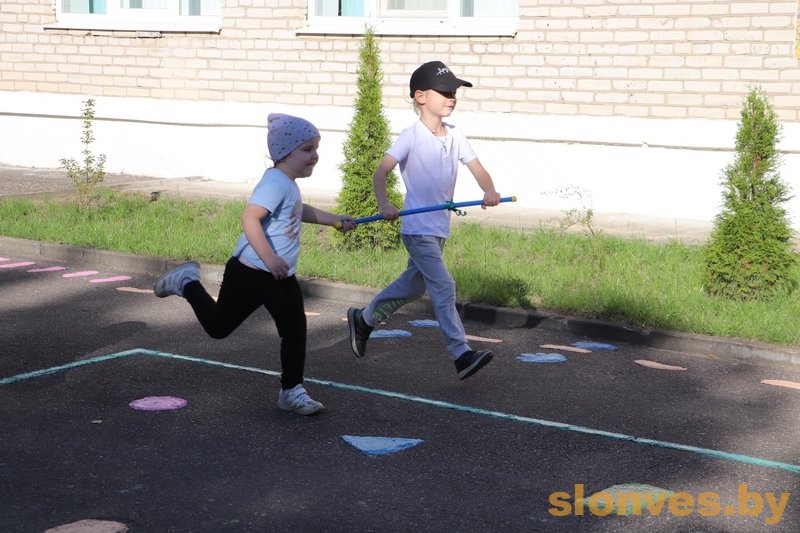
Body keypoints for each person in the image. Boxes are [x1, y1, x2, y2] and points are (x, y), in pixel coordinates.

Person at [154, 113, 355, 415]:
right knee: (218, 328)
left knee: (295, 330)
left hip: (279, 276)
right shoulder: (275, 182)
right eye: (307, 149)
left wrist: (334, 220)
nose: (315, 155)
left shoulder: (287, 183)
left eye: (316, 148)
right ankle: (188, 283)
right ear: (285, 153)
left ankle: (291, 391)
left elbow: (298, 210)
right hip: (250, 273)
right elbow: (249, 218)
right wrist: (270, 257)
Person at [347, 60, 502, 380]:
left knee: (413, 286)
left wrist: (489, 190)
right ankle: (461, 354)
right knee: (444, 286)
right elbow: (381, 172)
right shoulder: (411, 136)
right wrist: (385, 204)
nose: (452, 97)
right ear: (420, 97)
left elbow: (478, 169)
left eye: (454, 92)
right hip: (417, 230)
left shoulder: (456, 136)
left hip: (439, 228)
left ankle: (364, 319)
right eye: (445, 92)